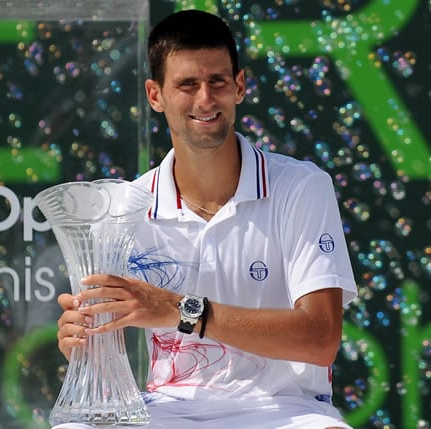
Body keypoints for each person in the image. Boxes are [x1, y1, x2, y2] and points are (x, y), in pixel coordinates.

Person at [52, 9, 357, 429]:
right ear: (154, 95)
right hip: (163, 411)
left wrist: (181, 310)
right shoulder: (123, 206)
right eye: (187, 85)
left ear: (240, 86)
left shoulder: (301, 187)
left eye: (217, 82)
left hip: (289, 411)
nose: (205, 100)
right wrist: (83, 346)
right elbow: (108, 369)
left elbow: (321, 339)